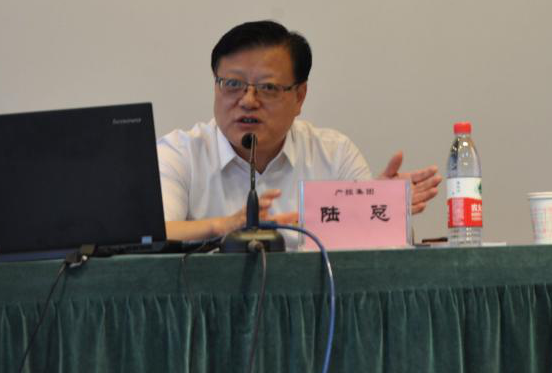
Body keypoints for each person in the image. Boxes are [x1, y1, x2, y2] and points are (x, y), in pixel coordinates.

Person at [158, 20, 441, 242]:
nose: (247, 100)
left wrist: (378, 207)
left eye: (267, 87)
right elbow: (149, 236)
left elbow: (383, 255)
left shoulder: (334, 155)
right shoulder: (180, 154)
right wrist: (224, 226)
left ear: (299, 96)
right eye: (232, 84)